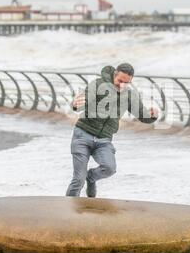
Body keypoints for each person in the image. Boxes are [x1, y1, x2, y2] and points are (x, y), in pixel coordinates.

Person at [66, 63, 158, 198]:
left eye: (127, 83)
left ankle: (91, 177)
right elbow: (82, 103)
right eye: (120, 81)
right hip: (83, 135)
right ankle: (67, 211)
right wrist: (75, 105)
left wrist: (153, 116)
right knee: (78, 179)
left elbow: (143, 116)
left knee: (109, 169)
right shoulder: (98, 84)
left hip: (104, 140)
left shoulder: (129, 95)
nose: (122, 85)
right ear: (114, 74)